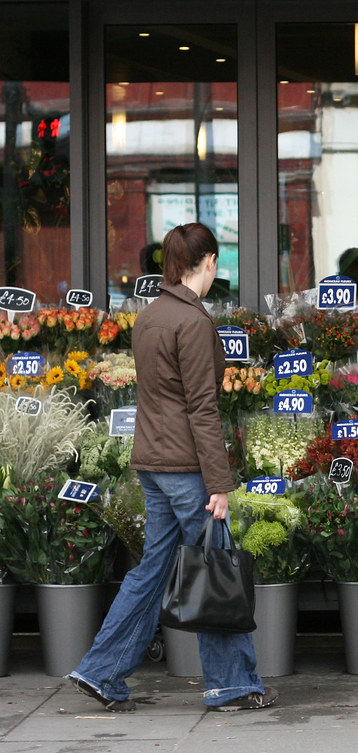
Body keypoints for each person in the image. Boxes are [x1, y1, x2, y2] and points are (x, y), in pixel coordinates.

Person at [68, 223, 277, 712]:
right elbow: (202, 408)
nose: (215, 271)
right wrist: (219, 483)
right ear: (207, 262)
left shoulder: (149, 317)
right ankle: (232, 683)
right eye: (215, 263)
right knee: (215, 568)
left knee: (153, 569)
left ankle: (101, 671)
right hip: (186, 466)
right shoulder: (193, 322)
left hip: (152, 461)